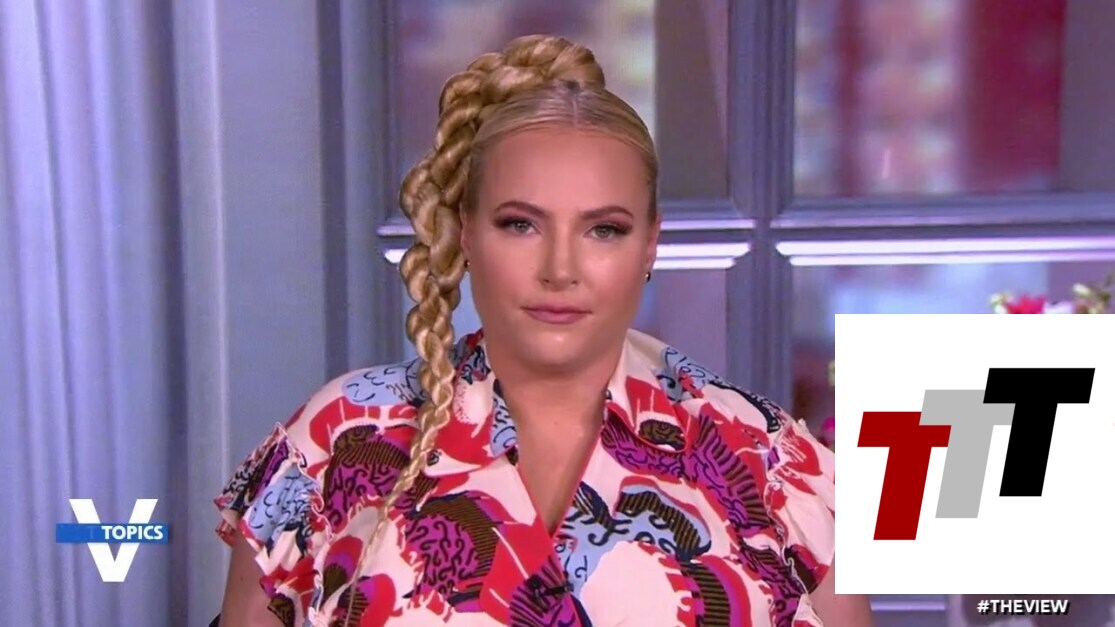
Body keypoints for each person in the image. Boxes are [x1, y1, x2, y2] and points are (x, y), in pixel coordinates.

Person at [214, 34, 873, 627]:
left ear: (650, 243)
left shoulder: (768, 461)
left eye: (603, 230)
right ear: (466, 231)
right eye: (520, 224)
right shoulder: (337, 440)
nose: (560, 269)